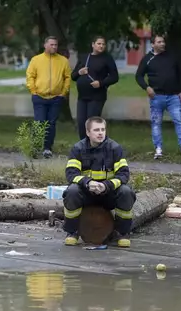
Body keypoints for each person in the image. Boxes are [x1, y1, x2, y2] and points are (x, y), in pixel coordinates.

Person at [62, 116, 137, 248]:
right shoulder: (78, 149)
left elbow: (123, 174)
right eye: (96, 130)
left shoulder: (115, 148)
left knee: (126, 192)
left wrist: (106, 185)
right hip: (87, 193)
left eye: (103, 129)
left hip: (108, 194)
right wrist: (88, 183)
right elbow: (71, 174)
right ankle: (72, 232)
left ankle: (122, 233)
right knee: (72, 191)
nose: (101, 133)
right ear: (87, 132)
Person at [135, 34, 181, 159]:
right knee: (156, 123)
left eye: (163, 42)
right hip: (157, 97)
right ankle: (158, 149)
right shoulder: (147, 59)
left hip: (173, 96)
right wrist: (147, 87)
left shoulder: (172, 57)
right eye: (159, 42)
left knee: (179, 120)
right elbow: (138, 76)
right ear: (153, 44)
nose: (162, 44)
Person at [26, 36, 72, 158]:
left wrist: (63, 92)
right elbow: (30, 76)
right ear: (45, 45)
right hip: (39, 96)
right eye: (51, 45)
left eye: (56, 45)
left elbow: (67, 77)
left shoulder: (63, 61)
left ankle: (47, 148)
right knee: (39, 122)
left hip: (56, 98)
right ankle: (35, 147)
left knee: (51, 124)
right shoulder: (36, 60)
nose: (54, 47)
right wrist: (33, 91)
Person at [71, 36, 119, 140]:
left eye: (103, 44)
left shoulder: (107, 58)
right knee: (81, 122)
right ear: (93, 45)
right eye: (99, 44)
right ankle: (84, 146)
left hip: (97, 96)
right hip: (82, 97)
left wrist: (101, 83)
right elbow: (73, 76)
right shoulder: (84, 57)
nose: (101, 46)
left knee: (92, 122)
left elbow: (115, 77)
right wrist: (79, 72)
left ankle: (94, 146)